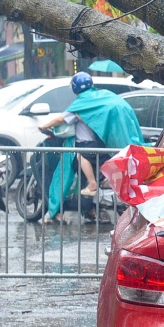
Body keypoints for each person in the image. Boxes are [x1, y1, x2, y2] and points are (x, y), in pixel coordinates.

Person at [37, 72, 143, 223]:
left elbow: (60, 119)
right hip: (101, 147)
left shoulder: (82, 103)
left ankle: (92, 184)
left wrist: (44, 126)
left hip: (87, 148)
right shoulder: (100, 97)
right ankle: (91, 206)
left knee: (75, 161)